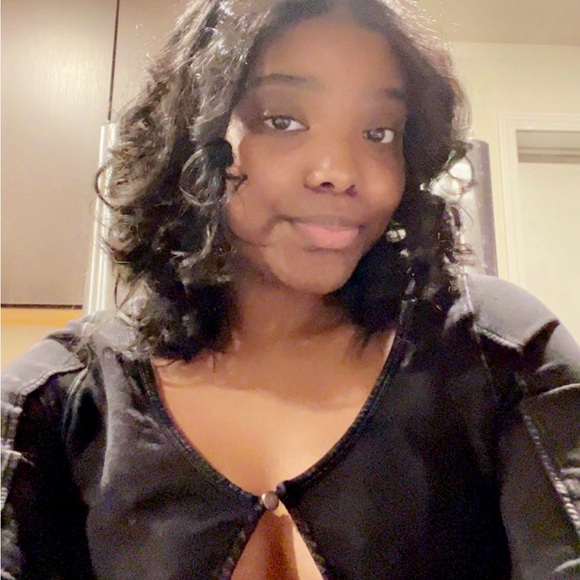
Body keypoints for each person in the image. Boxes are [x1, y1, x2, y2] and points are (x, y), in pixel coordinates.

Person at [2, 0, 579, 578]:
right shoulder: (56, 402)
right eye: (282, 121)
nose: (340, 171)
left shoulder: (500, 355)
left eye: (379, 133)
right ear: (191, 139)